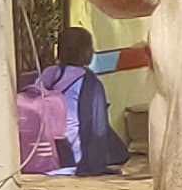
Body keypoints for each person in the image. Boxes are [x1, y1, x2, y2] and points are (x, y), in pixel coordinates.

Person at [15, 26, 127, 178]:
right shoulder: (90, 81)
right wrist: (96, 162)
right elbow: (97, 128)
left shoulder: (50, 72)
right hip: (74, 154)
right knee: (119, 151)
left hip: (47, 148)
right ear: (86, 52)